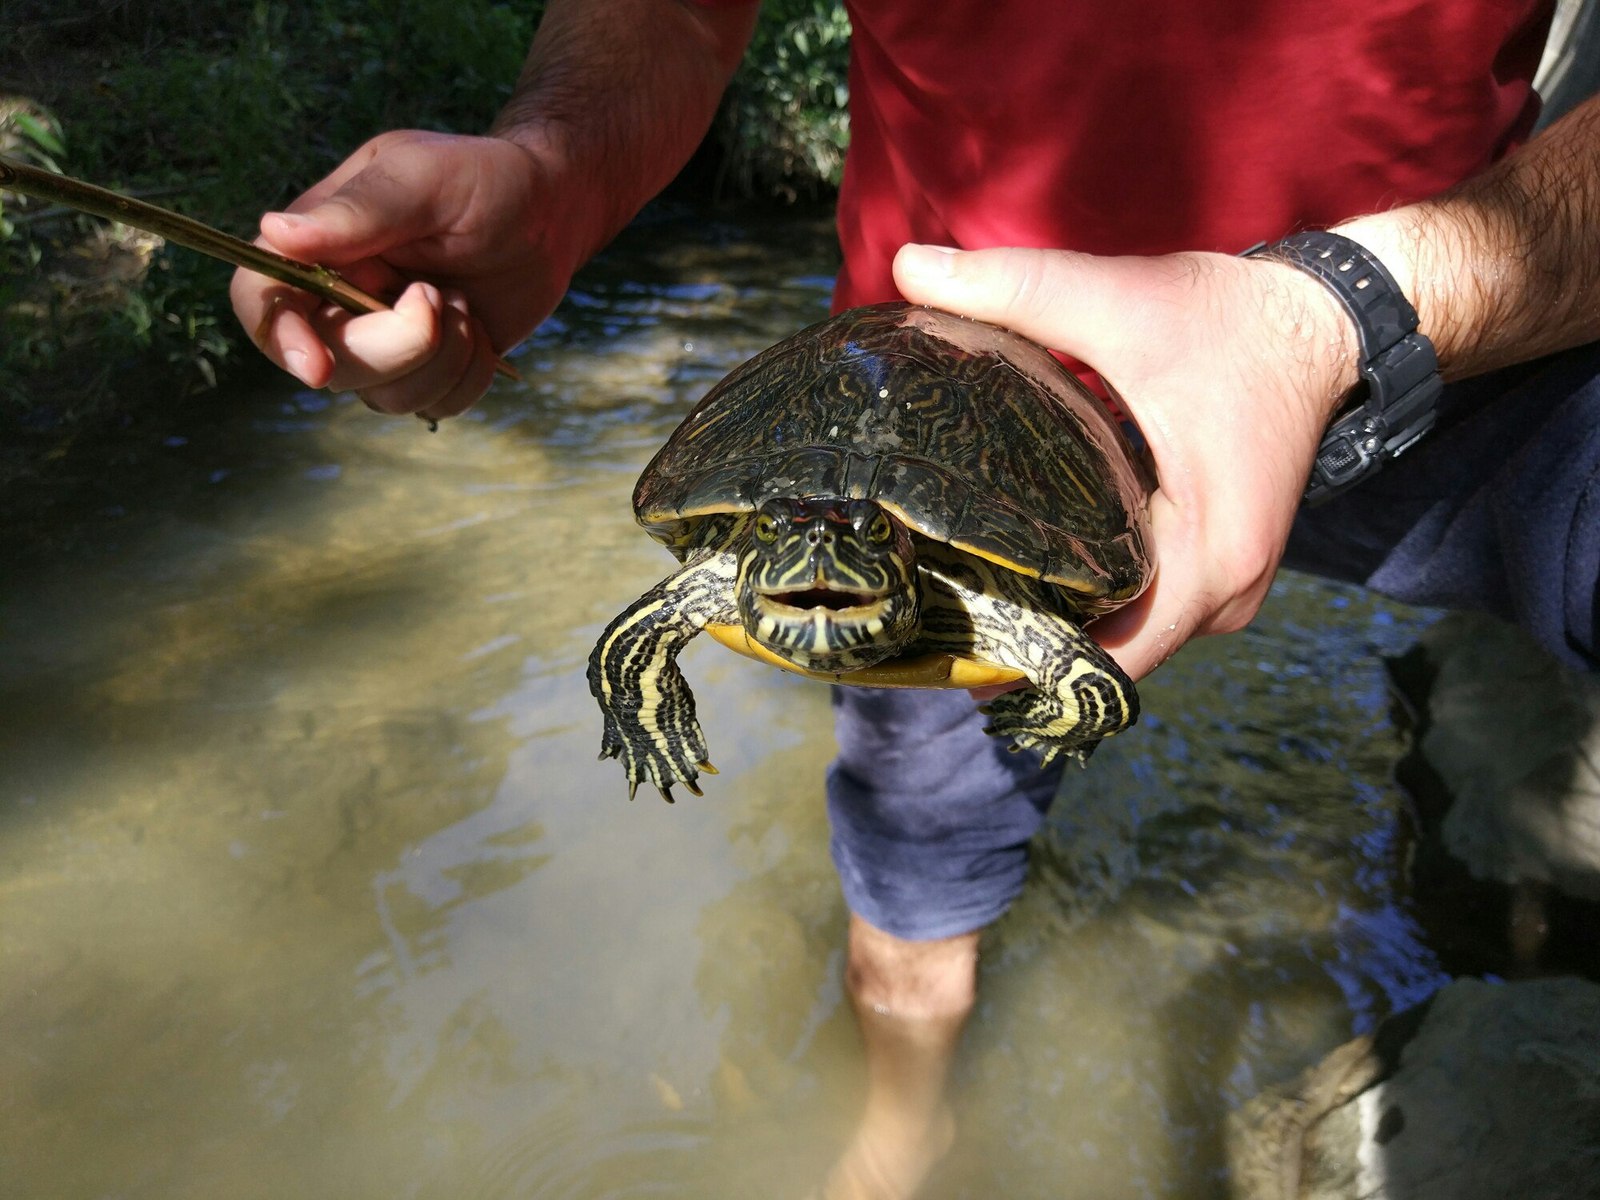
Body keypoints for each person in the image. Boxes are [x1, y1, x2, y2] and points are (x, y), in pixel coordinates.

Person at [231, 2, 1600, 1195]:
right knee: (911, 887)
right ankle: (905, 1133)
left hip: (1455, 311)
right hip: (924, 383)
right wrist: (552, 163)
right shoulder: (818, 560)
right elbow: (674, 13)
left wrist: (1346, 309)